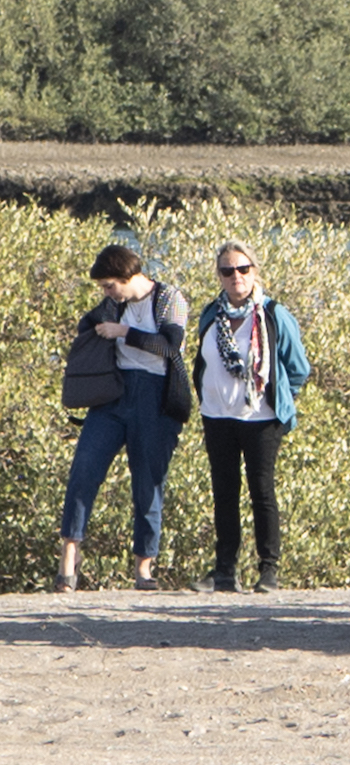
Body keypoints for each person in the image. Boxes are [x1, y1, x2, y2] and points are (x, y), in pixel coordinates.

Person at [58, 247, 192, 592]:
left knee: (148, 482)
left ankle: (144, 569)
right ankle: (69, 561)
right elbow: (87, 326)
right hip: (113, 393)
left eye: (108, 285)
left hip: (156, 396)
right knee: (84, 468)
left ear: (127, 277)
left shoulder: (169, 298)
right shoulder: (112, 304)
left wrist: (123, 333)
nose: (105, 292)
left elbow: (170, 345)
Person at [186, 241, 312, 594]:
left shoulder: (273, 314)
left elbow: (298, 368)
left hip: (262, 419)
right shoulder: (212, 314)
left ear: (254, 271)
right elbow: (202, 361)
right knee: (224, 492)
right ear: (219, 276)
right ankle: (224, 570)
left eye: (242, 269)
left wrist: (280, 399)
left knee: (262, 490)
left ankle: (268, 569)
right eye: (227, 270)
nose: (236, 276)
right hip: (217, 416)